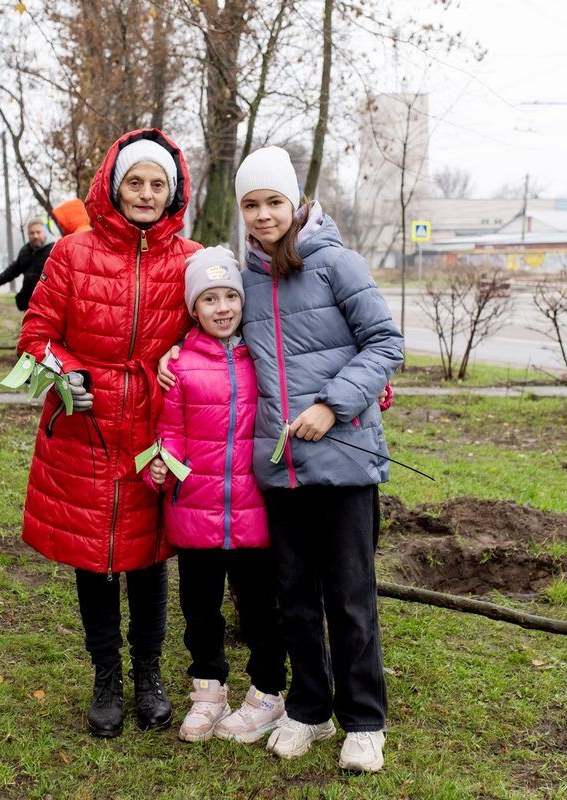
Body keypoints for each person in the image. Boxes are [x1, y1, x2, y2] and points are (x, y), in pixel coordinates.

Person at [16, 130, 200, 738]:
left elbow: (217, 327)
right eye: (135, 182)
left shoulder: (191, 258)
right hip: (84, 427)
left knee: (149, 559)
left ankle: (148, 673)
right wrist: (65, 371)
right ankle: (107, 678)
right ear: (113, 187)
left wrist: (178, 351)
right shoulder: (71, 254)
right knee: (93, 560)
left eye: (158, 184)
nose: (146, 194)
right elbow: (36, 334)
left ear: (173, 193)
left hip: (156, 426)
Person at [233, 146, 403, 772]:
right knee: (294, 595)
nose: (263, 214)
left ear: (296, 201)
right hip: (280, 466)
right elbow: (216, 338)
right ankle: (310, 708)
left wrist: (333, 405)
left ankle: (364, 720)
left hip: (345, 458)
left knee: (350, 595)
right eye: (251, 204)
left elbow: (386, 342)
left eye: (274, 201)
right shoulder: (244, 276)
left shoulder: (337, 263)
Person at [144, 245, 287, 744]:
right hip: (195, 515)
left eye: (230, 296)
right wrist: (160, 464)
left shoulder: (263, 358)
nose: (222, 308)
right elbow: (171, 431)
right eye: (209, 299)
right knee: (200, 610)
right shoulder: (180, 366)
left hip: (256, 516)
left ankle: (269, 691)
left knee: (260, 611)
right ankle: (209, 691)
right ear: (193, 308)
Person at [0, 217, 53, 311]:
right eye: (32, 233)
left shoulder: (54, 251)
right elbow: (14, 269)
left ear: (44, 232)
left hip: (48, 307)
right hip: (28, 305)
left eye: (38, 232)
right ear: (28, 234)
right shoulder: (25, 251)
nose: (35, 236)